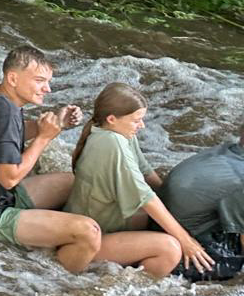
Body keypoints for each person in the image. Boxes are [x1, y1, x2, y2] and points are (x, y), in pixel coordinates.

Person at [0, 46, 101, 272]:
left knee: (72, 181)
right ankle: (51, 278)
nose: (47, 88)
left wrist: (57, 123)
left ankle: (54, 239)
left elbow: (8, 134)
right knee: (89, 233)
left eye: (48, 81)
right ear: (13, 78)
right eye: (39, 80)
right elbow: (9, 179)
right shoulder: (5, 111)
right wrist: (44, 138)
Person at [66, 83, 215, 279]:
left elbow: (145, 172)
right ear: (112, 119)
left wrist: (176, 203)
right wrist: (186, 241)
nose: (142, 125)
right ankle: (125, 292)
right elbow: (146, 198)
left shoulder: (115, 131)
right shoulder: (112, 143)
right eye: (137, 120)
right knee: (170, 249)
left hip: (100, 225)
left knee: (158, 218)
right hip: (89, 241)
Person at [158, 121, 244, 282]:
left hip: (165, 224)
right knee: (234, 265)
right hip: (182, 246)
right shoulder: (240, 179)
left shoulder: (229, 151)